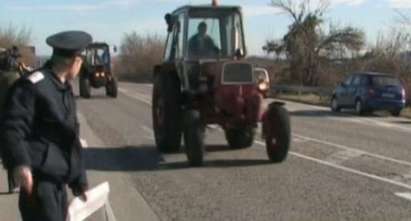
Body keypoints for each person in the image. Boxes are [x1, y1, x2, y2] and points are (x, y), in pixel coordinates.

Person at [0, 30, 92, 221]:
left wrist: (78, 180)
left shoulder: (63, 88)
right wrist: (20, 164)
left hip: (58, 185)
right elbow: (12, 126)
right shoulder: (33, 86)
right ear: (75, 61)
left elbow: (69, 139)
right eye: (81, 62)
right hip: (39, 186)